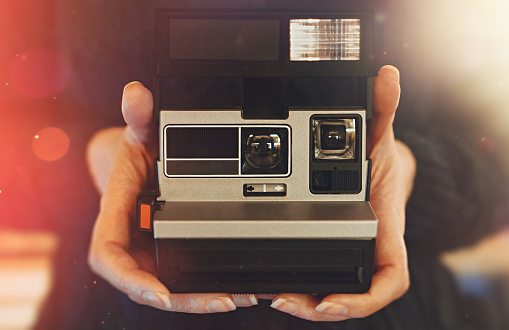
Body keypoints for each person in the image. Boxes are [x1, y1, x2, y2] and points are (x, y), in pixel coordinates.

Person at [86, 65, 416, 321]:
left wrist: (400, 166)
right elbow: (44, 131)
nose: (264, 148)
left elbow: (464, 145)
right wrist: (110, 155)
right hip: (125, 315)